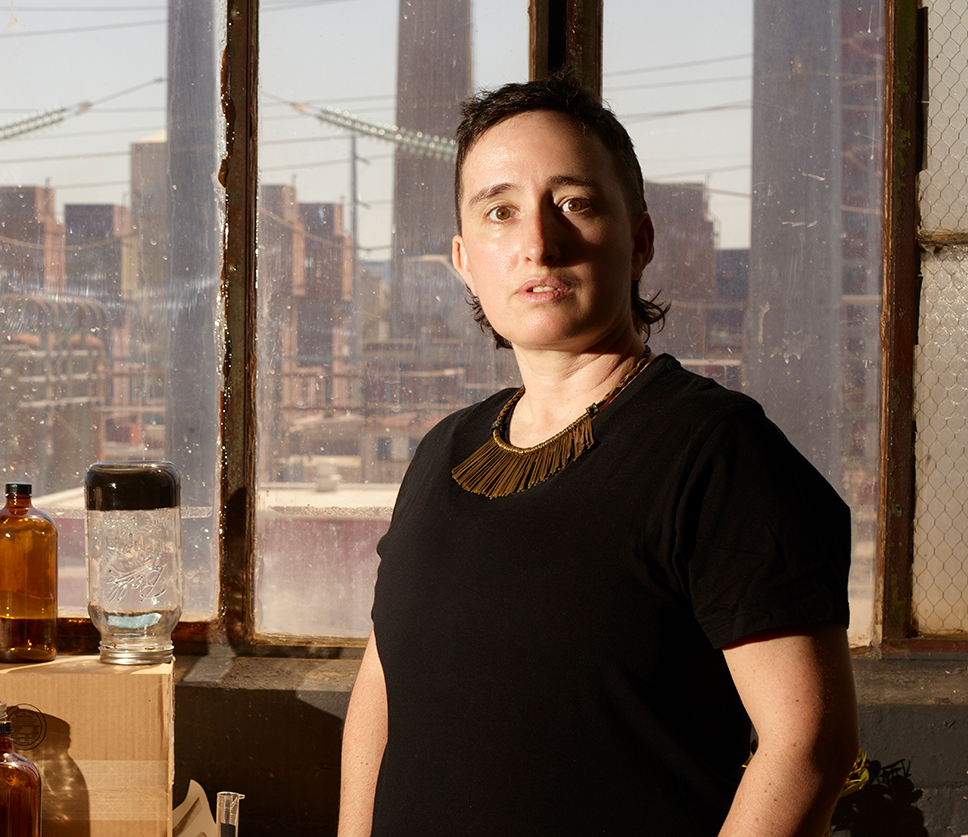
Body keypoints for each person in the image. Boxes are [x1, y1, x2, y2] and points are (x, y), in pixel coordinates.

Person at [337, 74, 859, 837]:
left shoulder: (717, 452)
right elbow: (381, 696)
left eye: (575, 203)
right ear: (464, 260)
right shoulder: (441, 451)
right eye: (500, 211)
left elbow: (810, 744)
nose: (538, 243)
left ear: (640, 238)